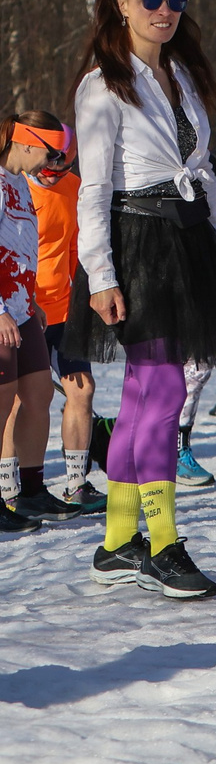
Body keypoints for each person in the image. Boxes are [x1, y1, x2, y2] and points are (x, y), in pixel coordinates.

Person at [67, 0, 216, 599]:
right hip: (137, 245)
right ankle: (163, 542)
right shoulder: (102, 86)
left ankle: (118, 541)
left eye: (175, 0)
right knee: (163, 389)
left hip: (189, 240)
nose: (165, 11)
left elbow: (202, 173)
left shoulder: (179, 77)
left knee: (143, 398)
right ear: (121, 4)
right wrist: (101, 275)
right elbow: (93, 189)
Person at [12, 113, 98, 517]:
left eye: (61, 168)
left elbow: (77, 248)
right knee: (22, 400)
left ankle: (76, 484)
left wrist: (87, 294)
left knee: (82, 390)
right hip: (23, 309)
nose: (52, 175)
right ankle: (11, 488)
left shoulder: (73, 188)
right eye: (48, 166)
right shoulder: (14, 186)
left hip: (63, 311)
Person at [0, 125, 49, 533]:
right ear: (28, 144)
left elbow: (22, 248)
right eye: (50, 153)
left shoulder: (21, 182)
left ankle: (32, 490)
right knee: (0, 406)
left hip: (23, 306)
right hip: (1, 311)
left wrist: (30, 298)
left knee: (39, 393)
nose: (51, 164)